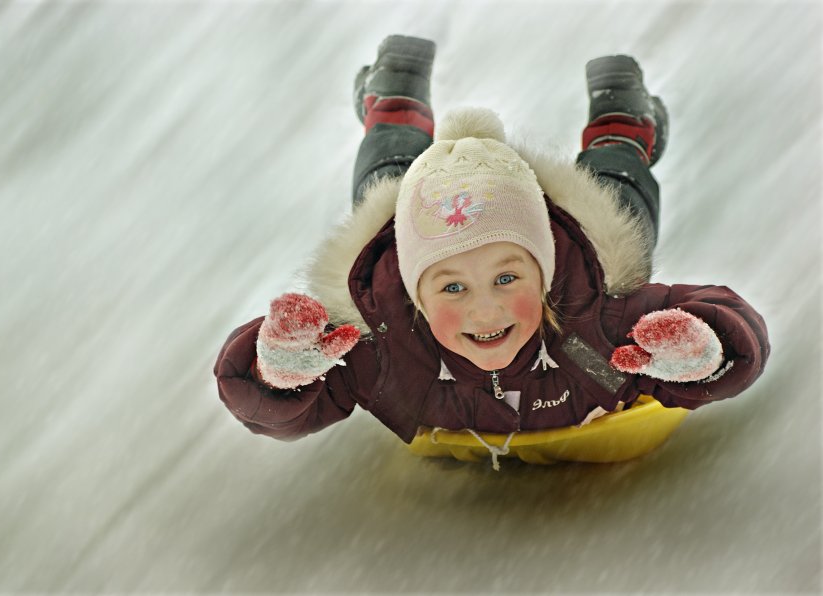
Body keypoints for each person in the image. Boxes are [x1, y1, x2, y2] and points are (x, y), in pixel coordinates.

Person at [213, 35, 769, 444]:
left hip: (553, 227)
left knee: (620, 209)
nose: (485, 307)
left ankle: (623, 125)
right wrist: (278, 371)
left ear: (545, 274)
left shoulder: (601, 318)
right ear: (414, 297)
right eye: (451, 289)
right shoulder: (384, 345)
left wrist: (704, 351)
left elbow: (734, 336)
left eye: (507, 278)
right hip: (424, 222)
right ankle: (394, 103)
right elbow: (273, 411)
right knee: (385, 190)